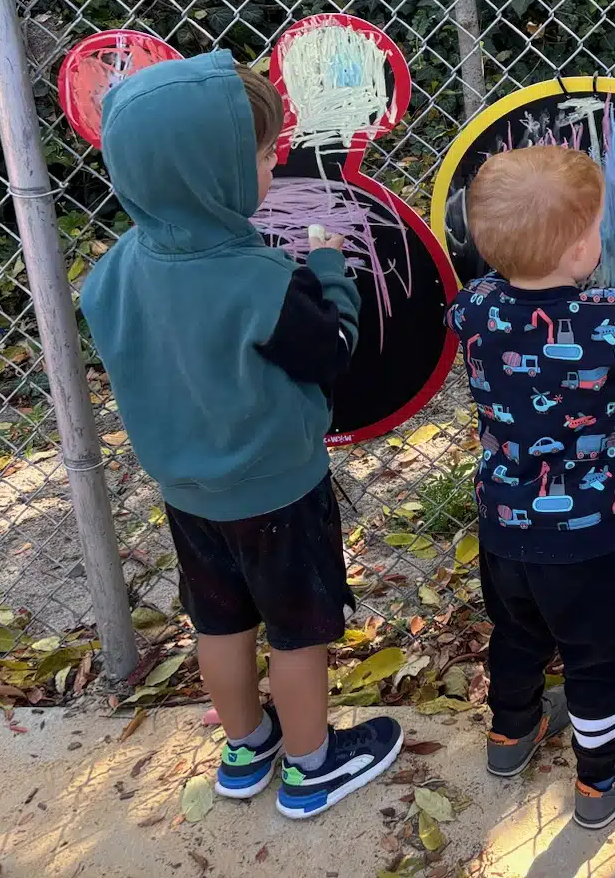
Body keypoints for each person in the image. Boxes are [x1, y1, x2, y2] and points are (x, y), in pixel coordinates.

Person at [79, 52, 403, 819]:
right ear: (211, 178)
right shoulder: (263, 283)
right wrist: (329, 271)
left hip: (188, 496)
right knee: (297, 634)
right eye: (262, 157)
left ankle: (243, 746)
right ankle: (311, 765)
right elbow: (332, 353)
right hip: (280, 493)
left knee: (218, 623)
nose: (273, 167)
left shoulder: (114, 271)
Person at [448, 144, 615, 829]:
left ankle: (511, 735)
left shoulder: (477, 307)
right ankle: (600, 779)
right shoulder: (611, 326)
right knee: (595, 654)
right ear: (582, 246)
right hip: (590, 533)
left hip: (505, 525)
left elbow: (464, 317)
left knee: (516, 632)